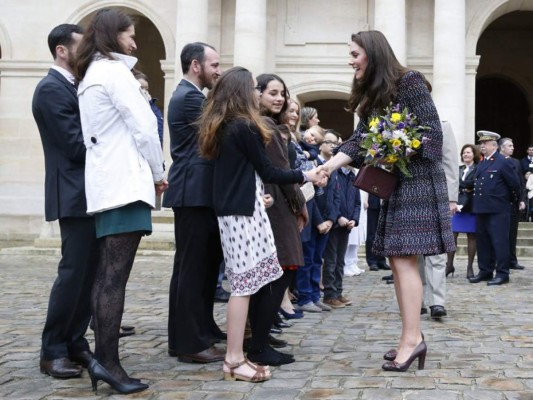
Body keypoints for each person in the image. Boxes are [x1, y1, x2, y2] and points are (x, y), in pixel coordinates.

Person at [323, 30, 455, 372]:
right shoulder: (373, 95)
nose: (350, 60)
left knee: (403, 260)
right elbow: (358, 141)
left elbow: (433, 137)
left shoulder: (409, 81)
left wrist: (393, 143)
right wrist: (328, 165)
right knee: (398, 262)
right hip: (399, 182)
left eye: (354, 53)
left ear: (372, 52)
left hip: (419, 181)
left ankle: (412, 340)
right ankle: (409, 337)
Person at [197, 66, 326, 382]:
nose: (257, 92)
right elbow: (270, 172)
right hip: (243, 216)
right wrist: (306, 175)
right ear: (243, 92)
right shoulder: (244, 126)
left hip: (238, 211)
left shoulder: (225, 125)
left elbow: (240, 175)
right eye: (254, 87)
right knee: (243, 287)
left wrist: (260, 197)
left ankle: (237, 356)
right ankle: (234, 358)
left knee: (247, 284)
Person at [75, 9, 167, 394]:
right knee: (114, 279)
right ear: (115, 37)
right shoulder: (114, 73)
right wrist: (159, 172)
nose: (134, 42)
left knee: (105, 277)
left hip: (107, 185)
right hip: (125, 184)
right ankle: (108, 362)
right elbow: (145, 127)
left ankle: (104, 359)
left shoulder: (92, 74)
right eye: (130, 36)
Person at [32, 23, 98, 380]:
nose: (86, 52)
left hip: (89, 194)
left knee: (89, 275)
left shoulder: (74, 86)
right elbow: (75, 145)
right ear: (62, 50)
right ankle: (52, 349)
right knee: (73, 274)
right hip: (72, 193)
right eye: (80, 46)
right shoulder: (50, 89)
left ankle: (75, 341)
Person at [162, 42, 226, 363]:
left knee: (204, 268)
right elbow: (219, 134)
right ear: (196, 66)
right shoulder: (188, 98)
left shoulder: (195, 96)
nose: (219, 70)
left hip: (202, 192)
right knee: (192, 269)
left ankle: (202, 328)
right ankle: (189, 343)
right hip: (193, 192)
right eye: (214, 64)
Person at [248, 72, 308, 365]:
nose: (279, 98)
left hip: (272, 200)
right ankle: (258, 343)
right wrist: (300, 205)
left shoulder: (267, 125)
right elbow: (282, 171)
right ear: (257, 93)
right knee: (281, 270)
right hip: (275, 203)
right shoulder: (267, 127)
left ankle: (261, 335)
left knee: (273, 273)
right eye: (273, 92)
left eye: (282, 93)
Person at [296, 130, 340, 313]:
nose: (332, 146)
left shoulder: (333, 167)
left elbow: (336, 196)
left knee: (317, 260)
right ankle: (305, 297)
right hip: (312, 220)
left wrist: (331, 219)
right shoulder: (312, 165)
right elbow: (310, 195)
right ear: (321, 145)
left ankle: (315, 296)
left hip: (326, 223)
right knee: (306, 260)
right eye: (329, 142)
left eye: (335, 143)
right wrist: (319, 221)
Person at [469, 131, 520, 286]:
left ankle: (502, 273)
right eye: (481, 143)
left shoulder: (503, 162)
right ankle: (485, 271)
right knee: (483, 242)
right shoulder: (482, 163)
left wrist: (506, 201)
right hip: (481, 208)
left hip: (498, 209)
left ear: (494, 145)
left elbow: (515, 185)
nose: (481, 146)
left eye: (485, 143)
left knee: (499, 242)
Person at [419, 120, 459, 320]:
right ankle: (416, 299)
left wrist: (452, 198)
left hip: (437, 195)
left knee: (437, 251)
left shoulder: (442, 125)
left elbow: (450, 162)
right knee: (411, 253)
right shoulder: (396, 123)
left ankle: (437, 302)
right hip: (407, 196)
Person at [322, 154, 360, 308]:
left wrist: (354, 220)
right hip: (335, 224)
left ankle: (338, 292)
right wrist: (338, 217)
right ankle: (330, 294)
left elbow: (357, 202)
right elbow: (331, 199)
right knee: (331, 260)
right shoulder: (334, 174)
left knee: (340, 261)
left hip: (347, 225)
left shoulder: (353, 176)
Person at [447, 144, 480, 279]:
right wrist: (464, 185)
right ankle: (449, 265)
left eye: (468, 152)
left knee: (471, 236)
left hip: (471, 206)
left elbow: (473, 183)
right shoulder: (458, 169)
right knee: (452, 235)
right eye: (464, 153)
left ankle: (470, 267)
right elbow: (451, 183)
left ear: (474, 155)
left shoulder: (478, 169)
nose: (465, 155)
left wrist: (460, 184)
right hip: (457, 206)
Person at [499, 137, 526, 270]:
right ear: (501, 148)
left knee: (512, 233)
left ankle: (512, 260)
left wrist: (522, 200)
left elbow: (521, 183)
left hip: (513, 204)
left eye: (513, 145)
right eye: (509, 146)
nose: (513, 148)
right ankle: (499, 261)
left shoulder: (516, 162)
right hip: (499, 203)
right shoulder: (496, 161)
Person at [133, 70, 164, 147]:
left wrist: (150, 103)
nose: (144, 91)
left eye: (146, 89)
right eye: (141, 88)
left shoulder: (151, 106)